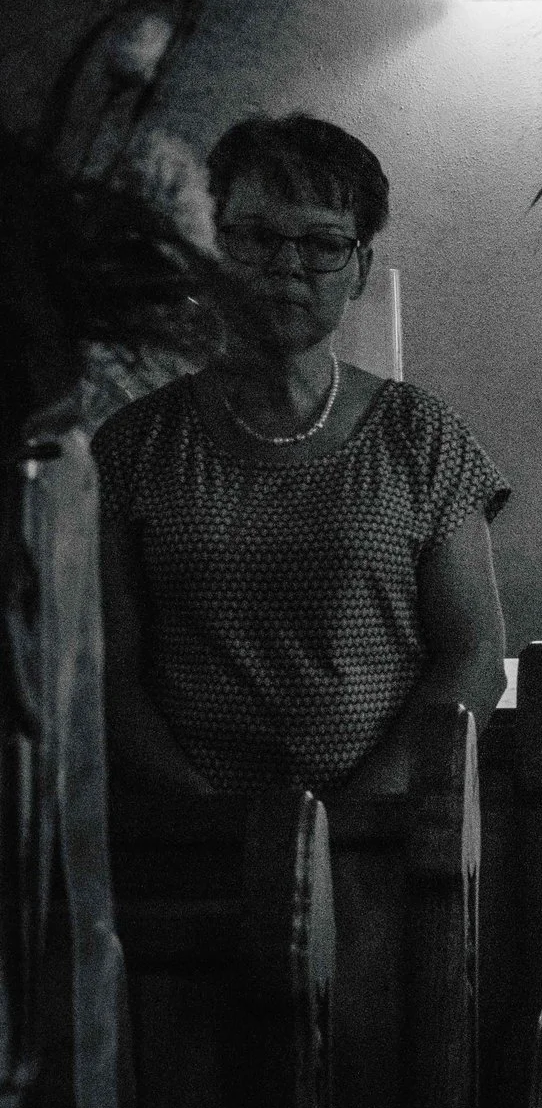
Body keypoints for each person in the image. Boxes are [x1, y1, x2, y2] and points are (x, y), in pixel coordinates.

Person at [95, 114, 510, 798]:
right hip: (185, 849)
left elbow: (474, 658)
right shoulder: (136, 446)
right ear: (209, 248)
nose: (288, 265)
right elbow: (110, 673)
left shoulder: (422, 435)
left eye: (322, 243)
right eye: (257, 237)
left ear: (360, 268)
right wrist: (212, 822)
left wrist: (353, 821)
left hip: (381, 844)